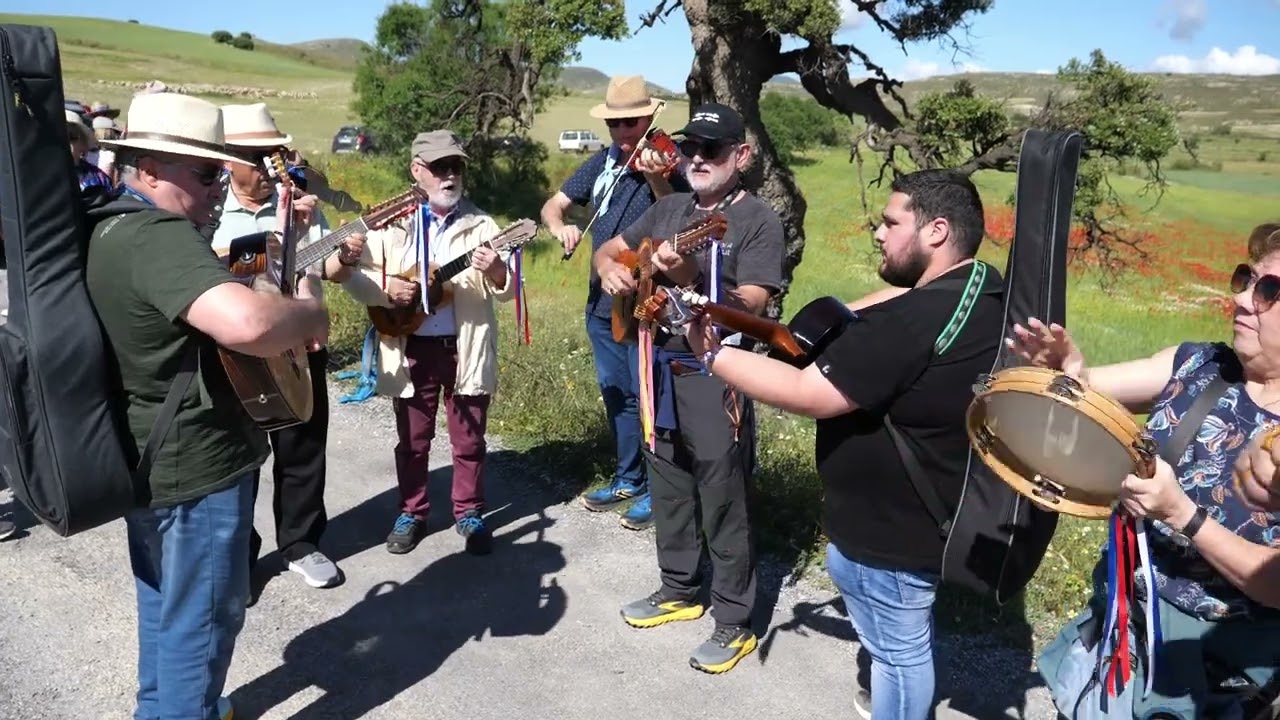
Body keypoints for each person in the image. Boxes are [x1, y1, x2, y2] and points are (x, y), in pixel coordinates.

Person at [679, 168, 1003, 712]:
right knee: (900, 645)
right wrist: (844, 312)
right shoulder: (983, 288)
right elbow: (894, 300)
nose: (878, 232)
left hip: (890, 533)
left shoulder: (914, 320)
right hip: (933, 512)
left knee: (899, 653)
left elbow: (810, 393)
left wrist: (711, 353)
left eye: (891, 222)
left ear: (937, 231)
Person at [87, 92, 330, 720]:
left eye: (222, 170)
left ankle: (161, 710)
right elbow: (249, 325)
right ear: (149, 168)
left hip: (148, 455)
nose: (219, 184)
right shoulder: (159, 238)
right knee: (205, 619)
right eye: (204, 172)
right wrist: (309, 309)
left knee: (166, 606)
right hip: (199, 463)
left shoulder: (110, 223)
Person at [1011, 226, 1280, 718]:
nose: (1241, 299)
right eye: (1245, 279)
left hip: (1209, 678)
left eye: (1268, 290)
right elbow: (1090, 394)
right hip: (1120, 629)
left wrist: (1182, 514)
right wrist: (1068, 375)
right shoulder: (1200, 364)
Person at [593, 102, 783, 674]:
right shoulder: (669, 205)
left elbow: (753, 303)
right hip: (655, 360)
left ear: (741, 156)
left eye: (713, 150)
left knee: (722, 491)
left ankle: (734, 618)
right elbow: (608, 248)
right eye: (692, 148)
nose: (698, 159)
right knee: (668, 479)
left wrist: (690, 278)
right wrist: (609, 270)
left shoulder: (757, 220)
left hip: (716, 367)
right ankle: (679, 588)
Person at [211, 102, 364, 591]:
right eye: (251, 157)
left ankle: (300, 542)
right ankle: (240, 554)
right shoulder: (211, 210)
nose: (263, 167)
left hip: (299, 346)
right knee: (239, 455)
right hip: (235, 353)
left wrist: (345, 255)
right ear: (227, 160)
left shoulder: (301, 203)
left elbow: (327, 272)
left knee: (302, 448)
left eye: (269, 156)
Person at [340, 129, 514, 557]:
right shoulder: (390, 225)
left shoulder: (483, 225)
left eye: (456, 166)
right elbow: (351, 275)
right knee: (413, 440)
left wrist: (495, 271)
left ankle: (469, 512)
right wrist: (387, 290)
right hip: (410, 345)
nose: (450, 175)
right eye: (440, 168)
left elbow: (510, 290)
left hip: (465, 346)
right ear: (417, 171)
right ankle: (412, 512)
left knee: (470, 438)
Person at [541, 74, 686, 531]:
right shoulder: (601, 162)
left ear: (649, 119)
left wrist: (656, 178)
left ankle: (661, 491)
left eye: (632, 123)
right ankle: (628, 479)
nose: (624, 133)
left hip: (642, 297)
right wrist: (559, 227)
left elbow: (676, 212)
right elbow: (553, 205)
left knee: (650, 398)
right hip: (599, 298)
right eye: (616, 125)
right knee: (617, 394)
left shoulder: (666, 164)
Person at [66, 109, 112, 191]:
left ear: (83, 143)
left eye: (70, 136)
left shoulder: (98, 179)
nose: (64, 141)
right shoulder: (40, 173)